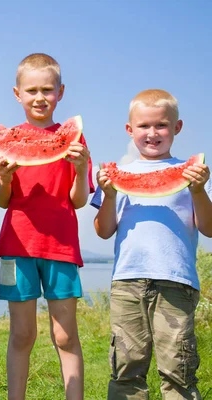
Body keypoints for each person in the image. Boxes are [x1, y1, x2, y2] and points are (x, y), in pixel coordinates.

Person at [92, 89, 212, 399]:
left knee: (179, 368)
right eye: (144, 126)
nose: (152, 133)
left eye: (161, 125)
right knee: (125, 369)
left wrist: (198, 190)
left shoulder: (193, 174)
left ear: (177, 127)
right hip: (127, 282)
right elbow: (104, 231)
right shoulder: (117, 175)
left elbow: (209, 229)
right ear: (129, 130)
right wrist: (110, 193)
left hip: (176, 284)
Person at [0, 53, 93, 399]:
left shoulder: (74, 140)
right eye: (31, 90)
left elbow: (79, 200)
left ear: (60, 92)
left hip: (61, 246)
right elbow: (3, 201)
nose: (39, 97)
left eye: (47, 90)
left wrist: (79, 170)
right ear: (16, 93)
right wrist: (3, 178)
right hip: (15, 247)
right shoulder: (7, 140)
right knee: (21, 334)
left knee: (65, 335)